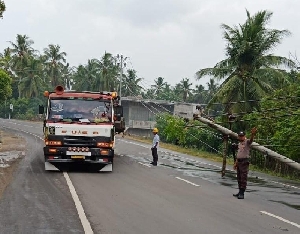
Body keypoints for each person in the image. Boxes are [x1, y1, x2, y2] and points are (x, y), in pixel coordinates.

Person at [233, 127, 257, 199]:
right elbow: (239, 154)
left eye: (242, 136)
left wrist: (252, 134)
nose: (241, 137)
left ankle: (242, 193)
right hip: (239, 162)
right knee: (239, 178)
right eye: (240, 136)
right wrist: (236, 163)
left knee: (243, 178)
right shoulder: (239, 144)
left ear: (244, 136)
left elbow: (251, 140)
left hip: (244, 162)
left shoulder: (247, 142)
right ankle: (239, 191)